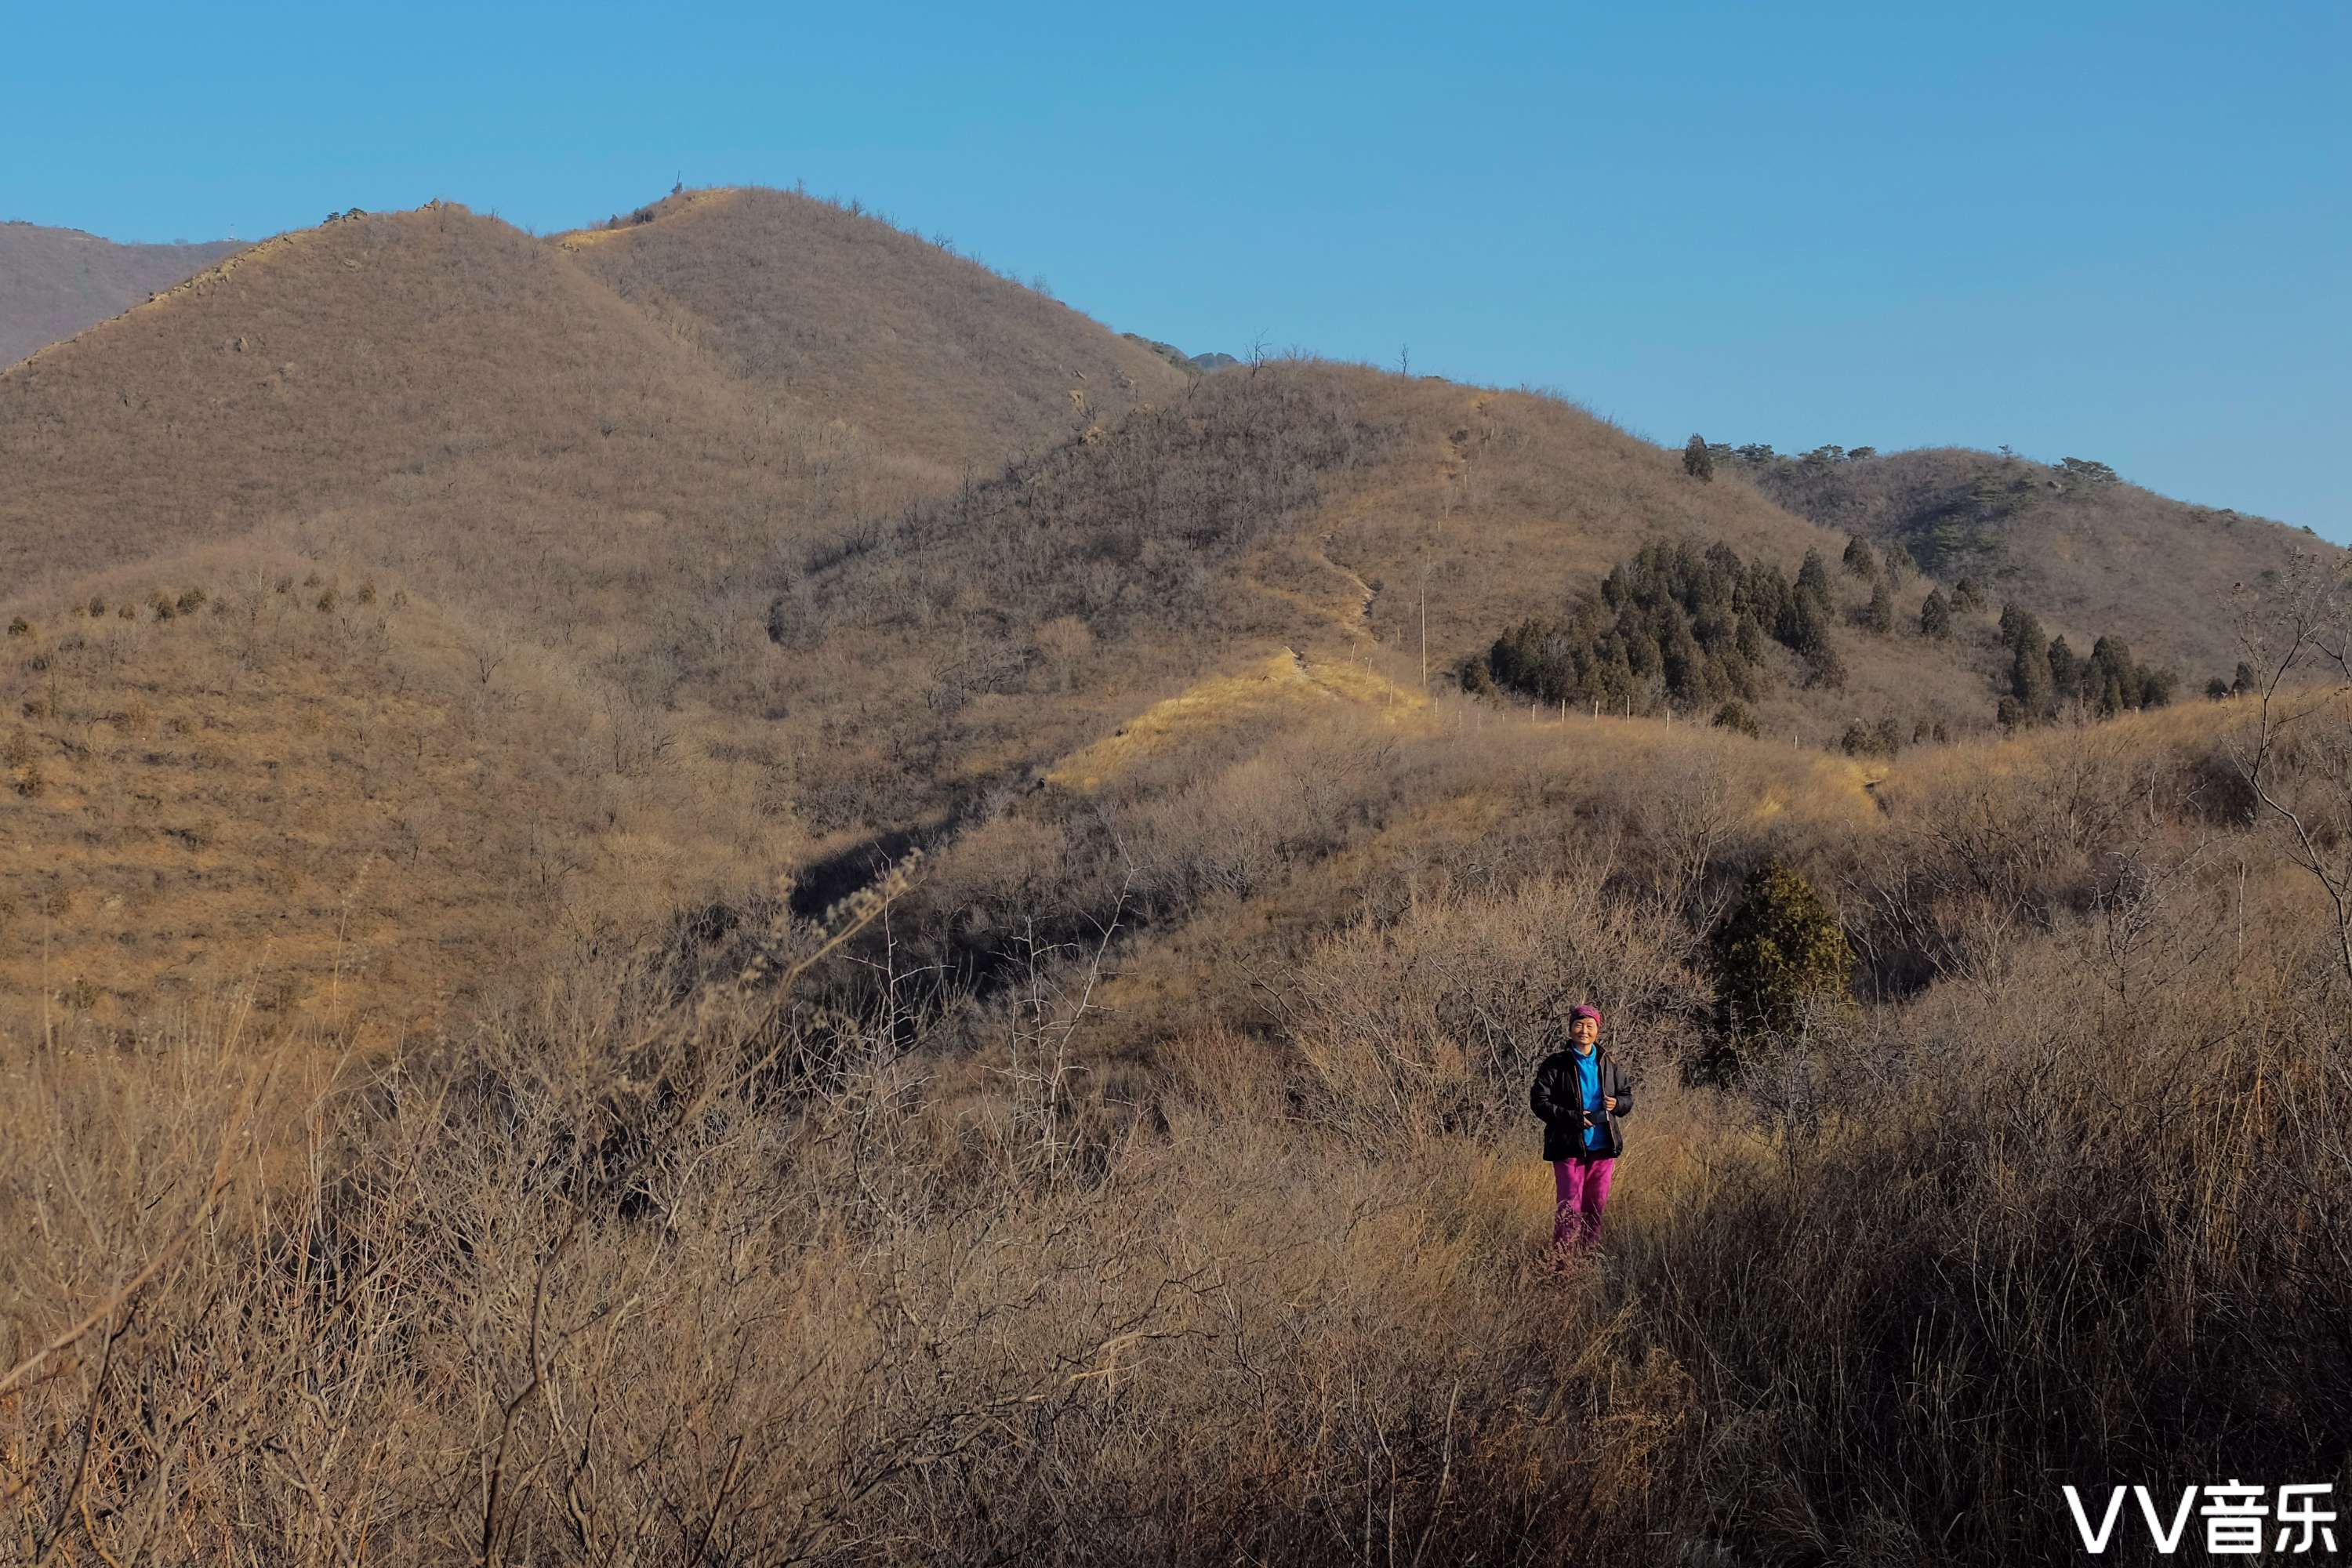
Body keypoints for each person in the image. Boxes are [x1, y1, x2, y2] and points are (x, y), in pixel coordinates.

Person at [1529, 1004, 1633, 1257]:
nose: (1584, 1031)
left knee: (1595, 1208)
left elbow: (1627, 1097)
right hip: (1568, 1146)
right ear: (1570, 1029)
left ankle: (1586, 1259)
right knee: (1569, 1208)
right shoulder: (1556, 1064)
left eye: (1590, 1026)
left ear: (1598, 1030)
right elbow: (1539, 1102)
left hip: (1603, 1147)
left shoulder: (1609, 1062)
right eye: (1579, 1025)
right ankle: (1563, 1266)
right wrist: (1572, 1118)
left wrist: (1617, 1104)